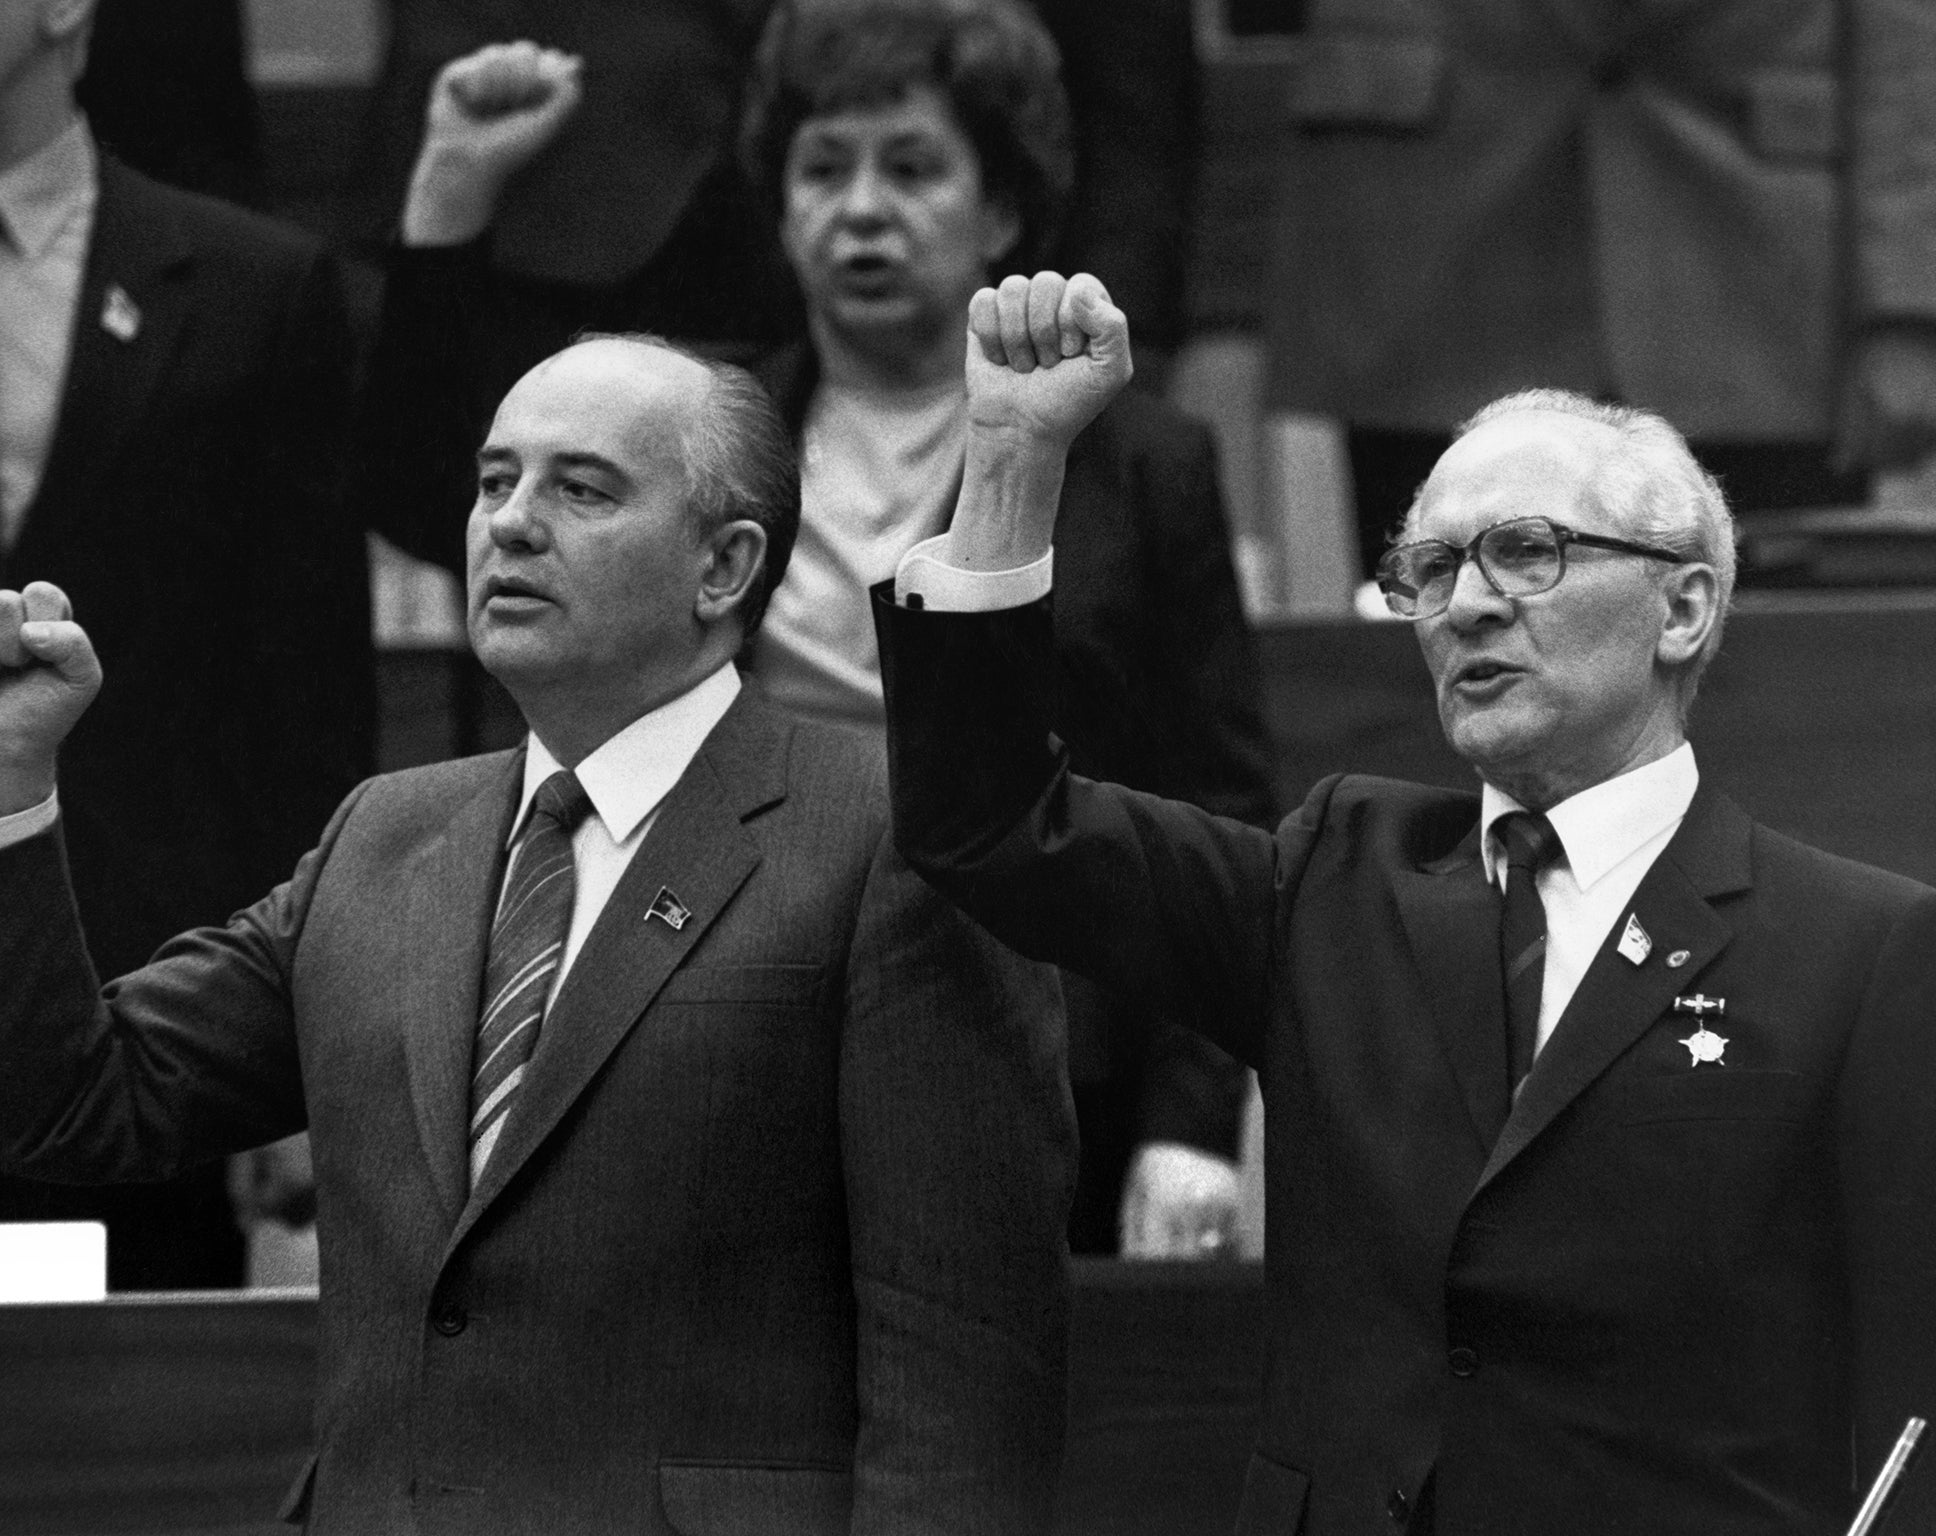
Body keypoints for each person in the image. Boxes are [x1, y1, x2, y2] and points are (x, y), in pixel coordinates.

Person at [0, 334, 1074, 1532]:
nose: (507, 524)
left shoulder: (889, 844)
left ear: (723, 566)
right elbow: (66, 1103)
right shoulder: (383, 839)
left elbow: (964, 1370)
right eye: (493, 480)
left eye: (581, 488)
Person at [875, 271, 1936, 1533]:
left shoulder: (1861, 949)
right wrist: (1009, 461)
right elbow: (992, 826)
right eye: (1427, 569)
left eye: (1527, 552)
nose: (1467, 605)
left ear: (1684, 606)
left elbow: (1909, 1383)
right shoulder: (1336, 873)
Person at [366, 0, 1276, 1260]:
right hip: (713, 1019)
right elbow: (431, 487)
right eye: (820, 169)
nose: (858, 209)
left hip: (1039, 1040)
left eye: (910, 169)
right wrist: (452, 203)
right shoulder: (699, 434)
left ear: (1003, 210)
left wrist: (1190, 1121)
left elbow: (1212, 804)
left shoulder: (1138, 463)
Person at [0, 0, 371, 1287]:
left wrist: (297, 1055)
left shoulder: (256, 289)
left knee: (142, 1464)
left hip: (143, 1030)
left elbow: (305, 712)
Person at [1258, 0, 1936, 577]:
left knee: (1768, 692)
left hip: (1762, 269)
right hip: (1436, 233)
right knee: (1440, 678)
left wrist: (1906, 306)